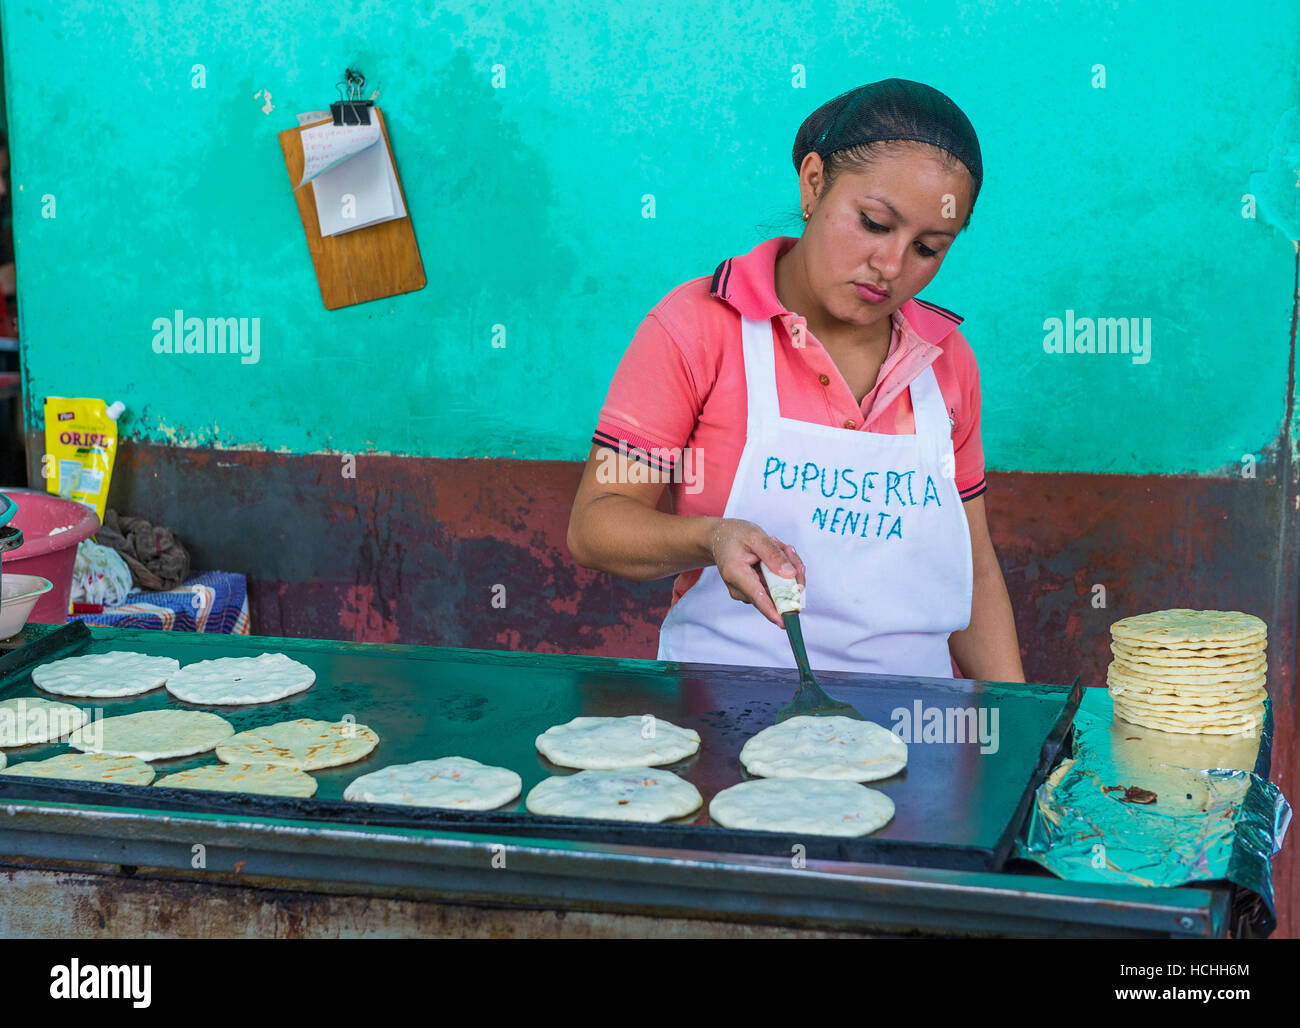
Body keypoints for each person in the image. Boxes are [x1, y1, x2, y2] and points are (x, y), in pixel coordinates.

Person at [568, 79, 1024, 683]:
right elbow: (597, 523)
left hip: (920, 724)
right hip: (725, 715)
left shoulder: (945, 360)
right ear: (814, 184)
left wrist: (1020, 732)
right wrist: (712, 538)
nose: (891, 266)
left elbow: (976, 570)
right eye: (872, 223)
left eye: (928, 247)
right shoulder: (699, 328)